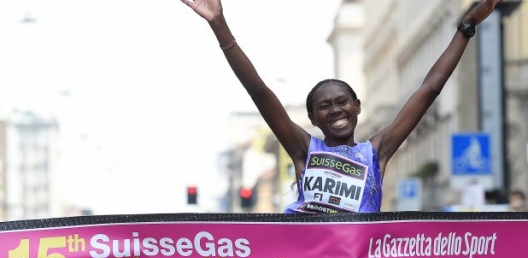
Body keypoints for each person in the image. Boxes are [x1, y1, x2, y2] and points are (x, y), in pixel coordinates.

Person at [180, 0, 503, 214]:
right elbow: (259, 92)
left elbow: (430, 89)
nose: (335, 110)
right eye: (324, 106)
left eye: (342, 102)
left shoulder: (376, 152)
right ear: (312, 118)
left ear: (357, 106)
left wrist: (466, 28)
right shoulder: (303, 150)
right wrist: (218, 24)